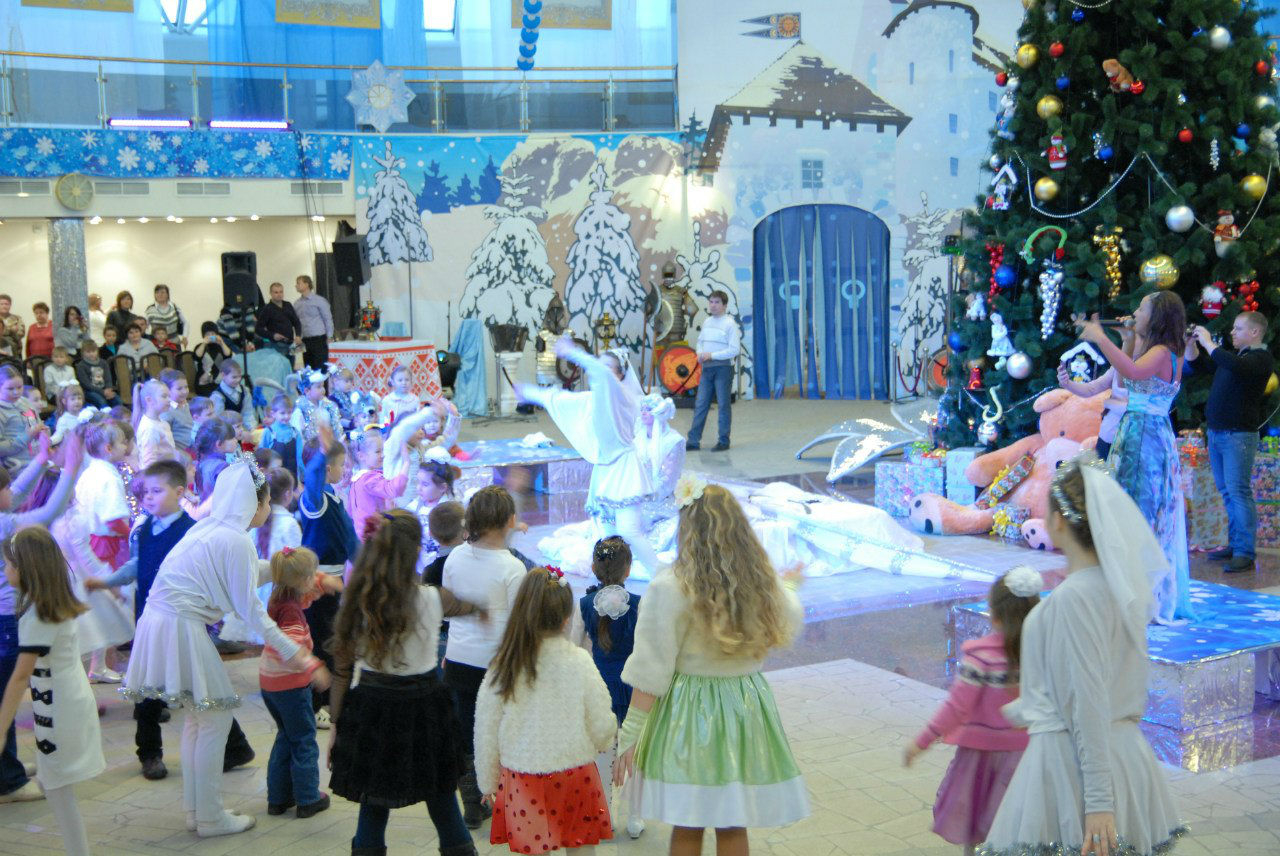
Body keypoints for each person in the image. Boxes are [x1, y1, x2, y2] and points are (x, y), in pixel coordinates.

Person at [981, 455, 1184, 856]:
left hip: (1074, 764)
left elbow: (1088, 699)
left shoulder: (1075, 598)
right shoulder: (1117, 588)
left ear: (1058, 521)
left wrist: (1099, 803)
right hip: (1122, 754)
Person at [122, 459, 327, 838]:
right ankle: (209, 816)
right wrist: (298, 654)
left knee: (201, 719)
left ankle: (199, 811)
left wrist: (287, 570)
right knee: (212, 718)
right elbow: (251, 610)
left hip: (164, 621)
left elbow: (241, 574)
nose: (268, 508)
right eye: (266, 502)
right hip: (177, 624)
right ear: (254, 503)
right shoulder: (234, 538)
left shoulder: (214, 528)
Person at [616, 479, 809, 855]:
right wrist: (790, 587)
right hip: (745, 707)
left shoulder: (669, 587)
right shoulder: (760, 582)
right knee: (733, 821)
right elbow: (789, 616)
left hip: (690, 715)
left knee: (688, 822)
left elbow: (651, 668)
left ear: (686, 529)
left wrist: (631, 732)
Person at [327, 509, 481, 856]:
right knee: (442, 796)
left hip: (372, 708)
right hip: (426, 707)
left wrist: (335, 724)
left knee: (373, 800)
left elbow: (341, 671)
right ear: (416, 551)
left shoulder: (359, 601)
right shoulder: (434, 597)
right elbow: (470, 606)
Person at [476, 567, 617, 855]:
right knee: (580, 848)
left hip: (522, 776)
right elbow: (601, 718)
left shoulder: (504, 665)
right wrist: (603, 740)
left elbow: (486, 729)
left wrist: (487, 781)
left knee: (534, 849)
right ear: (566, 619)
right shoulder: (579, 660)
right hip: (575, 773)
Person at [1076, 293, 1196, 623]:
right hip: (1143, 430)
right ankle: (1131, 589)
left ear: (1156, 317)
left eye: (1142, 308)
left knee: (1138, 509)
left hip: (1144, 436)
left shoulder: (1161, 352)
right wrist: (1126, 340)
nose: (1135, 311)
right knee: (1134, 507)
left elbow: (1131, 371)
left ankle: (1140, 594)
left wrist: (1101, 338)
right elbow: (1126, 378)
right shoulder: (1164, 350)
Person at [905, 568, 1038, 855]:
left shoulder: (981, 656)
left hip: (981, 760)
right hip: (1027, 758)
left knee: (977, 829)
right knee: (1019, 830)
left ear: (994, 614)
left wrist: (922, 741)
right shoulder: (1041, 654)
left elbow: (956, 706)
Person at [84, 460, 201, 781]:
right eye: (146, 491)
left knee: (200, 685)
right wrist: (106, 582)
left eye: (156, 491)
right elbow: (137, 565)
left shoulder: (190, 532)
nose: (148, 497)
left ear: (179, 492)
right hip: (150, 621)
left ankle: (233, 746)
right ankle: (149, 753)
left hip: (182, 622)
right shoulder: (146, 528)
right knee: (148, 691)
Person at [515, 341, 661, 578]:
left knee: (629, 531)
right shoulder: (596, 399)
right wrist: (530, 393)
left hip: (625, 470)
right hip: (604, 469)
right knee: (606, 531)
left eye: (608, 368)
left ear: (620, 375)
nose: (600, 372)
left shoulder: (624, 397)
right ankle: (611, 576)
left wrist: (572, 352)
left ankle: (661, 574)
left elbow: (600, 373)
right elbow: (561, 400)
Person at [0, 528, 104, 856]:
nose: (5, 571)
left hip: (60, 709)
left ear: (25, 568)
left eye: (8, 565)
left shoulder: (37, 615)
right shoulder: (52, 604)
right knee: (56, 784)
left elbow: (20, 678)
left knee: (58, 789)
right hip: (67, 700)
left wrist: (1, 729)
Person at [0, 431, 82, 806]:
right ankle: (8, 781)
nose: (12, 491)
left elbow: (15, 492)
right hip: (5, 620)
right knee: (6, 694)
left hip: (4, 618)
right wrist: (70, 468)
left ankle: (9, 765)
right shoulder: (4, 524)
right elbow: (45, 514)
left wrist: (41, 459)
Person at [441, 485, 526, 829]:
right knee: (501, 732)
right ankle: (505, 801)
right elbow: (516, 625)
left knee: (467, 733)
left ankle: (472, 804)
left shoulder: (455, 558)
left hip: (459, 658)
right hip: (497, 665)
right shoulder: (512, 567)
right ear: (509, 521)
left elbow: (450, 609)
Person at [1188, 311, 1275, 573]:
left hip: (1238, 436)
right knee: (1227, 491)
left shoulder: (1260, 359)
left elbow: (1234, 365)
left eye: (1238, 329)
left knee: (1238, 491)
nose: (1232, 333)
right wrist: (1191, 344)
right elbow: (1200, 365)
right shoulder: (1236, 358)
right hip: (1218, 434)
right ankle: (1235, 543)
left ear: (1255, 332)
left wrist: (1207, 341)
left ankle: (1245, 552)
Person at [576, 536, 645, 840]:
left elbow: (575, 647)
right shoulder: (640, 604)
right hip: (633, 686)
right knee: (635, 750)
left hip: (599, 686)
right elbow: (646, 648)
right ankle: (635, 816)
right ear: (628, 569)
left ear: (594, 568)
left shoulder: (584, 604)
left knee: (603, 749)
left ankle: (604, 813)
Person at [259, 546, 331, 820]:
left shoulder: (279, 597)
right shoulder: (291, 613)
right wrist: (314, 667)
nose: (316, 579)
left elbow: (305, 599)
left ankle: (278, 798)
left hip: (270, 682)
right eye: (312, 575)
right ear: (301, 580)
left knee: (286, 736)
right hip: (290, 685)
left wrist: (321, 583)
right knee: (303, 740)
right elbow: (289, 648)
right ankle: (308, 798)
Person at [298, 424, 358, 730]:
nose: (344, 470)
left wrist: (366, 565)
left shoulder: (332, 497)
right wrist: (323, 454)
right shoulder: (315, 500)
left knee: (334, 641)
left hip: (335, 584)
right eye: (340, 464)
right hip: (317, 587)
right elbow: (312, 479)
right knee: (319, 644)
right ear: (326, 468)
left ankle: (335, 696)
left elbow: (349, 540)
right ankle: (317, 703)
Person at [348, 406, 443, 540]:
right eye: (378, 452)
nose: (383, 455)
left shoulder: (357, 478)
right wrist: (406, 463)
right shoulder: (370, 478)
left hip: (365, 533)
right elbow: (394, 489)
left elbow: (351, 510)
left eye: (382, 451)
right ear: (361, 456)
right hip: (374, 534)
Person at [685, 290, 741, 453]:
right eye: (711, 302)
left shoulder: (730, 324)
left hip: (723, 368)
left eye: (717, 302)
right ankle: (693, 441)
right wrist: (700, 353)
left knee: (723, 405)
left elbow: (734, 350)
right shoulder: (707, 322)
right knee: (700, 404)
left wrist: (712, 355)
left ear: (724, 305)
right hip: (707, 368)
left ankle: (724, 441)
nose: (713, 305)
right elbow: (700, 342)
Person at [0, 364, 44, 473]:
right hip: (17, 467)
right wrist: (26, 437)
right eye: (10, 389)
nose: (16, 392)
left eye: (20, 387)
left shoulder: (26, 402)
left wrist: (43, 432)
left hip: (38, 459)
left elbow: (37, 424)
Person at [134, 378, 179, 468]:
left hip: (168, 469)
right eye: (164, 396)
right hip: (160, 473)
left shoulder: (161, 422)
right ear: (149, 400)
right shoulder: (149, 428)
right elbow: (149, 462)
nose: (169, 400)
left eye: (169, 396)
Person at [291, 367, 342, 444]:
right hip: (311, 448)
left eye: (323, 386)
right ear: (307, 391)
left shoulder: (328, 406)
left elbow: (335, 428)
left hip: (329, 446)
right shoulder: (300, 411)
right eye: (318, 387)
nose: (323, 390)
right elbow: (299, 436)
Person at [294, 274, 333, 370]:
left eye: (299, 283)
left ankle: (323, 380)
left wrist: (330, 336)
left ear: (307, 284)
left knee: (321, 367)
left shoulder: (319, 300)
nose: (296, 286)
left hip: (319, 339)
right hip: (305, 340)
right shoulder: (297, 303)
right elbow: (296, 322)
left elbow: (327, 319)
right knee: (308, 367)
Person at [260, 394, 304, 478]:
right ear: (273, 414)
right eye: (282, 413)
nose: (286, 416)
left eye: (289, 412)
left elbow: (299, 457)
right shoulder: (269, 432)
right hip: (273, 477)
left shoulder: (295, 432)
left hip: (292, 475)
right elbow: (262, 455)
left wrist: (303, 475)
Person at [210, 358, 257, 431]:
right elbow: (217, 421)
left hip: (241, 430)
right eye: (234, 377)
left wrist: (252, 429)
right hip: (226, 432)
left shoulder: (245, 391)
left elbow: (248, 413)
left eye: (240, 376)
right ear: (223, 375)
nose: (238, 380)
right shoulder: (217, 396)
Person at [257, 282, 302, 359]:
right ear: (271, 293)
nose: (279, 294)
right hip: (276, 345)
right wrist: (273, 335)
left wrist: (298, 335)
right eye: (276, 292)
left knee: (291, 364)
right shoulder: (267, 309)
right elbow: (258, 329)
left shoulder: (288, 305)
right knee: (280, 365)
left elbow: (296, 322)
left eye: (281, 292)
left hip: (291, 343)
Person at [193, 322, 234, 397]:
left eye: (212, 334)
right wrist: (204, 343)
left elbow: (228, 355)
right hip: (204, 383)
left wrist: (222, 343)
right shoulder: (200, 346)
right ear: (203, 335)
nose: (210, 336)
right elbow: (197, 356)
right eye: (207, 334)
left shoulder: (220, 346)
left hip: (219, 382)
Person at [158, 369, 195, 452]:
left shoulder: (187, 405)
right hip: (184, 453)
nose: (184, 391)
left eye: (186, 387)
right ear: (168, 390)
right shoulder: (167, 412)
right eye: (179, 389)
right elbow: (166, 441)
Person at [74, 340, 119, 408]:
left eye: (93, 351)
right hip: (89, 391)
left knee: (118, 400)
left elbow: (108, 378)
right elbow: (86, 384)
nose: (91, 354)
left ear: (97, 351)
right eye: (88, 352)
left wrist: (108, 388)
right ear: (83, 353)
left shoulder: (103, 363)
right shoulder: (81, 366)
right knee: (101, 401)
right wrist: (103, 392)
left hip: (105, 390)